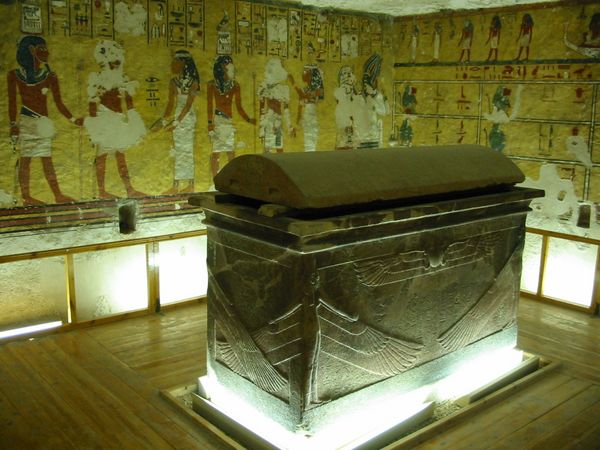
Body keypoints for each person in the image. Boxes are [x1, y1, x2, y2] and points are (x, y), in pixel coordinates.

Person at [7, 35, 82, 205]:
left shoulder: (50, 76)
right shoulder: (15, 75)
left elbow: (58, 102)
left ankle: (57, 194)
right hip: (27, 120)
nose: (47, 52)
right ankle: (26, 197)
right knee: (26, 159)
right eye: (42, 49)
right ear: (31, 50)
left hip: (44, 123)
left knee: (46, 158)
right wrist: (13, 124)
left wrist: (73, 119)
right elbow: (12, 102)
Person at [84, 40, 146, 199]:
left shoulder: (123, 78)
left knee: (120, 154)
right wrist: (94, 127)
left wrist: (133, 119)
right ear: (105, 60)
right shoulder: (99, 79)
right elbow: (92, 103)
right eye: (112, 57)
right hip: (105, 120)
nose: (116, 60)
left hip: (118, 121)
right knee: (102, 156)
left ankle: (129, 189)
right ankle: (101, 191)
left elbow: (129, 102)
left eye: (118, 57)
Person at [152, 50, 199, 194]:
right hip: (178, 115)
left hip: (187, 117)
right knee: (178, 150)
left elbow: (188, 105)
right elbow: (171, 104)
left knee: (187, 150)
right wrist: (163, 121)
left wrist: (176, 123)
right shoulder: (173, 82)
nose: (172, 64)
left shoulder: (193, 82)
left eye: (175, 61)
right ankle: (176, 184)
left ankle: (190, 184)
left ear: (183, 63)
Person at [207, 55, 254, 178]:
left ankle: (232, 179)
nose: (231, 68)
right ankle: (215, 179)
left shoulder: (235, 85)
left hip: (228, 122)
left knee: (230, 153)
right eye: (228, 66)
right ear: (222, 68)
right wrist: (210, 125)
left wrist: (248, 119)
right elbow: (209, 106)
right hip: (218, 121)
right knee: (216, 153)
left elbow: (239, 107)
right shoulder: (212, 85)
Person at [258, 58, 294, 153]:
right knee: (267, 151)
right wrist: (261, 130)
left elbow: (285, 110)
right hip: (267, 125)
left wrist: (289, 127)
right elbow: (262, 111)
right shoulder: (264, 89)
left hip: (277, 124)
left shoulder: (283, 89)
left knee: (279, 149)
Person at [356, 54, 388, 149]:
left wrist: (375, 95)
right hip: (361, 136)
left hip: (373, 136)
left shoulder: (375, 98)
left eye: (367, 85)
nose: (365, 87)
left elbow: (384, 111)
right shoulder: (359, 97)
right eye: (364, 85)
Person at [294, 65, 324, 152]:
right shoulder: (305, 90)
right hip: (307, 120)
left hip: (312, 120)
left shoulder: (316, 90)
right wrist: (297, 124)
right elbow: (300, 107)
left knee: (311, 146)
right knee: (308, 146)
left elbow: (317, 93)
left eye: (305, 72)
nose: (303, 74)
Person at [334, 65, 360, 150]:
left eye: (350, 73)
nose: (348, 75)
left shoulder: (354, 94)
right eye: (345, 73)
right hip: (344, 128)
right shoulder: (342, 91)